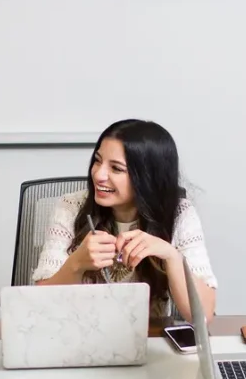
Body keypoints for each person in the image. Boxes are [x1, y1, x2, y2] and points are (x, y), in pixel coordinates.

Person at [31, 119, 217, 322]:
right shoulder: (69, 208)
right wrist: (76, 263)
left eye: (116, 169)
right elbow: (40, 305)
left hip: (147, 339)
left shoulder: (180, 214)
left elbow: (203, 315)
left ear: (147, 177)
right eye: (97, 160)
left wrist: (171, 256)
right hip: (77, 334)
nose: (99, 175)